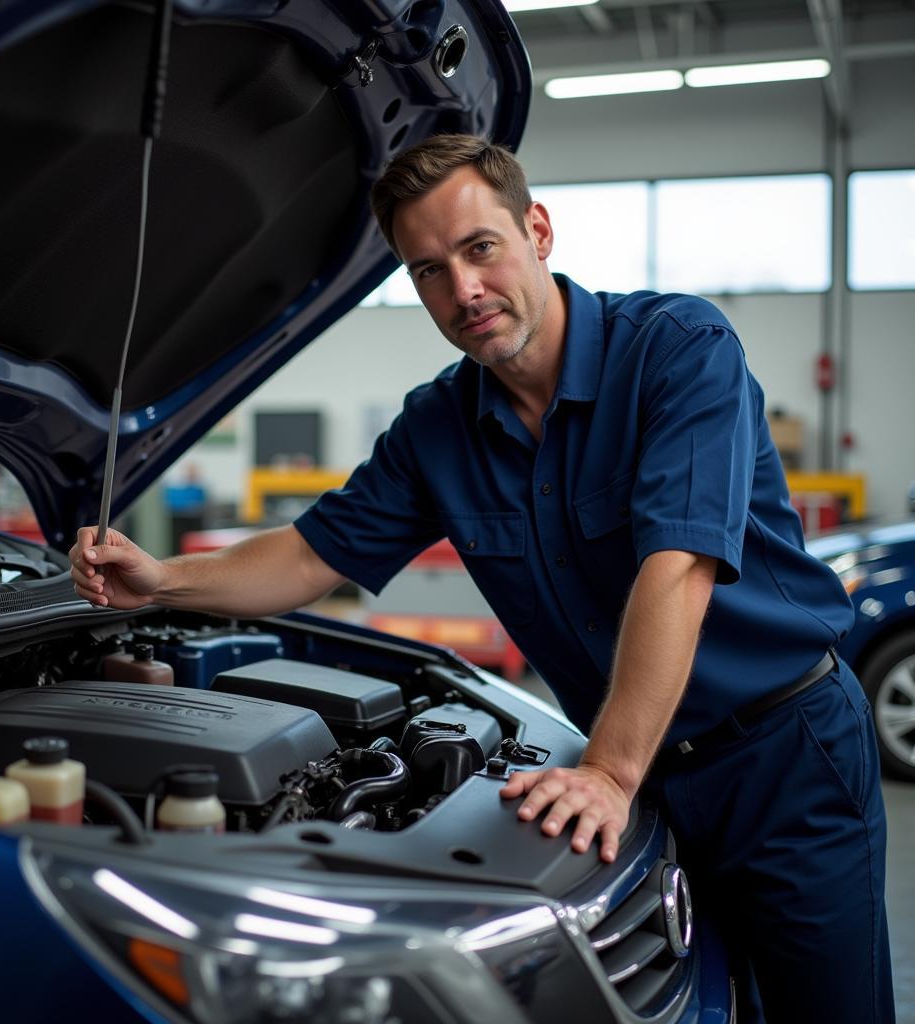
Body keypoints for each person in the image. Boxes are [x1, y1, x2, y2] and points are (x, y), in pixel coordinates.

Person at [70, 134, 893, 1023]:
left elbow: (678, 564)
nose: (462, 291)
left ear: (537, 230)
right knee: (708, 1004)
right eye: (427, 271)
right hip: (650, 777)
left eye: (479, 248)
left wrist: (611, 773)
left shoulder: (677, 350)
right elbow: (311, 555)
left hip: (783, 758)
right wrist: (161, 582)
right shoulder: (438, 428)